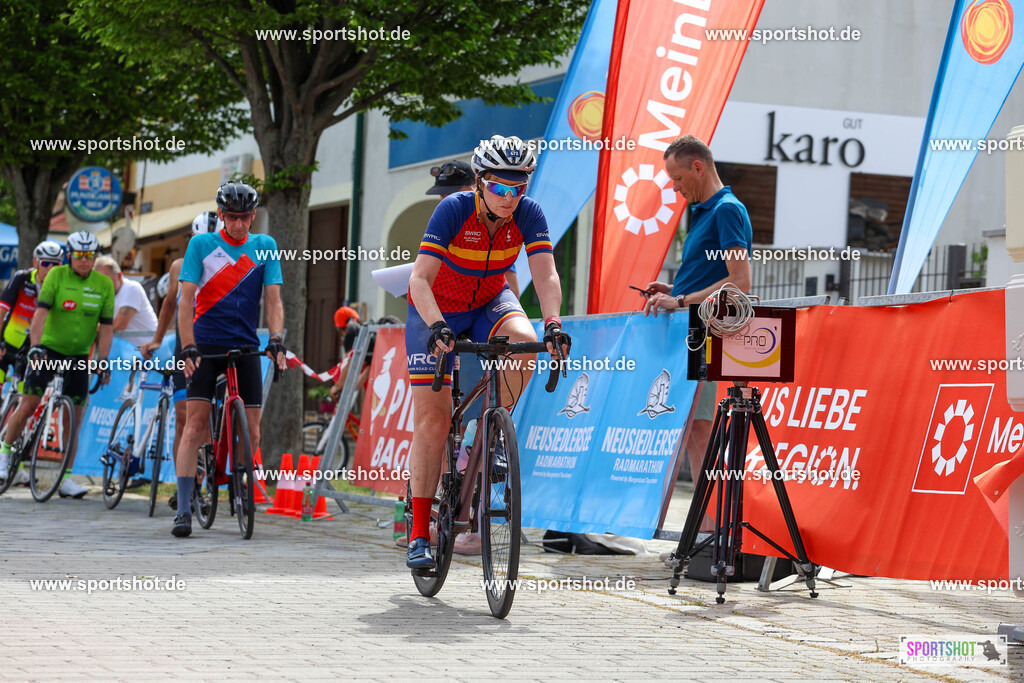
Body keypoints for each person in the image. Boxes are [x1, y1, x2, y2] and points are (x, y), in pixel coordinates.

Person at [404, 134, 571, 569]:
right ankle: (420, 532)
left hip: (488, 302)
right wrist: (438, 325)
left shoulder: (529, 214)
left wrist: (554, 323)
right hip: (436, 308)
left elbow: (546, 274)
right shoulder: (453, 209)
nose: (510, 197)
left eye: (520, 188)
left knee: (526, 340)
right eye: (500, 187)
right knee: (433, 421)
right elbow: (419, 279)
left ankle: (491, 427)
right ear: (480, 181)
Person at [640, 135, 753, 533]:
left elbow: (739, 283)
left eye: (676, 178)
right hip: (692, 331)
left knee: (700, 433)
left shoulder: (726, 210)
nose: (674, 187)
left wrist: (682, 298)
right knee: (693, 434)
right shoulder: (705, 210)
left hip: (705, 333)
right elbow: (714, 277)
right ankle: (708, 531)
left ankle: (712, 533)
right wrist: (673, 291)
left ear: (698, 167)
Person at [173, 182, 287, 538]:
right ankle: (182, 509)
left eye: (245, 218)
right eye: (232, 218)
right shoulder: (201, 245)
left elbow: (273, 302)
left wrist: (277, 339)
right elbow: (186, 300)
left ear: (253, 216)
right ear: (220, 215)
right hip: (206, 345)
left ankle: (239, 489)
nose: (238, 225)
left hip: (245, 344)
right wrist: (188, 345)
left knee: (251, 429)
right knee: (194, 425)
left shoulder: (265, 247)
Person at [0, 231, 114, 498]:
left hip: (78, 356)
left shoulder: (104, 284)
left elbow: (107, 328)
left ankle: (66, 478)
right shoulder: (56, 276)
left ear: (95, 257)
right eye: (79, 256)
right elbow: (39, 316)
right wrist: (37, 347)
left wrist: (103, 361)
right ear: (69, 256)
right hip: (49, 349)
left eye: (89, 256)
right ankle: (4, 455)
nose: (84, 261)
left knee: (72, 417)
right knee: (28, 404)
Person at [140, 211, 222, 507]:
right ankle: (186, 487)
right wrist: (158, 339)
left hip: (217, 348)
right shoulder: (178, 266)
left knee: (213, 422)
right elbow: (168, 307)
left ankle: (214, 477)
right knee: (184, 419)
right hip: (185, 352)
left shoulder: (231, 263)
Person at [0, 241, 64, 486]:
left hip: (36, 348)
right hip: (9, 346)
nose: (50, 268)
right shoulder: (22, 279)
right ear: (37, 263)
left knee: (24, 400)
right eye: (46, 263)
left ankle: (16, 456)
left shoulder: (59, 284)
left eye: (56, 264)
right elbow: (2, 310)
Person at [427, 160, 520, 294]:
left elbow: (512, 292)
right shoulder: (443, 225)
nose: (446, 201)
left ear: (476, 187)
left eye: (451, 194)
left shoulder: (497, 230)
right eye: (442, 195)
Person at [94, 256, 159, 348]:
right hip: (128, 353)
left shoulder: (131, 288)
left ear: (119, 276)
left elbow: (119, 324)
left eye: (106, 280)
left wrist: (90, 327)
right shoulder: (104, 295)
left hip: (147, 353)